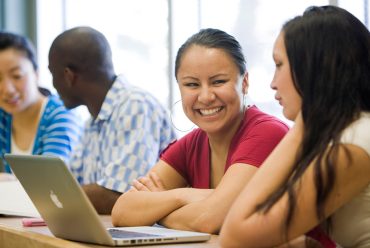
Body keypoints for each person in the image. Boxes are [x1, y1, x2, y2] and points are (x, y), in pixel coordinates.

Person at [111, 28, 289, 234]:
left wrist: (157, 207)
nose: (205, 97)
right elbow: (122, 211)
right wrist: (183, 196)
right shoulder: (191, 143)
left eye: (218, 82)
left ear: (245, 82)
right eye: (192, 84)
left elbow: (209, 219)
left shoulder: (267, 133)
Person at [220, 5, 370, 248]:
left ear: (312, 69)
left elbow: (235, 237)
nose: (273, 83)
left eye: (279, 65)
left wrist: (304, 124)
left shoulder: (352, 145)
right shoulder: (350, 132)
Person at [48, 26, 176, 214]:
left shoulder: (136, 106)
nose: (53, 85)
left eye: (53, 74)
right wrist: (58, 192)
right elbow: (72, 182)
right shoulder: (92, 121)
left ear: (69, 76)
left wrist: (54, 194)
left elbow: (119, 196)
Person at [0, 31, 83, 180]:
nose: (8, 90)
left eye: (17, 76)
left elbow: (50, 183)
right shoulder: (3, 115)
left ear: (36, 74)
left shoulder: (61, 115)